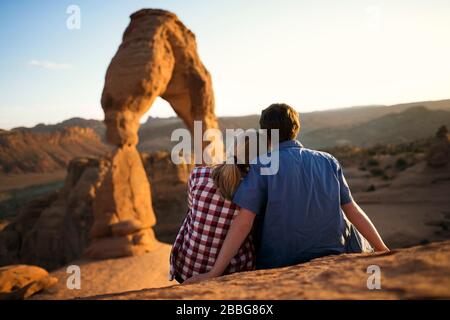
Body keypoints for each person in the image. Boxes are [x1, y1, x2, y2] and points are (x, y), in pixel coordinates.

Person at [184, 103, 389, 284]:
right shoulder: (328, 160)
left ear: (265, 134)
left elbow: (243, 222)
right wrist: (382, 249)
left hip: (279, 260)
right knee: (345, 217)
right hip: (333, 250)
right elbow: (352, 210)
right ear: (296, 129)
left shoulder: (261, 166)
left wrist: (214, 272)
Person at [169, 132, 260, 283]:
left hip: (186, 267)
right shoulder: (254, 188)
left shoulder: (198, 174)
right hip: (232, 270)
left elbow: (192, 210)